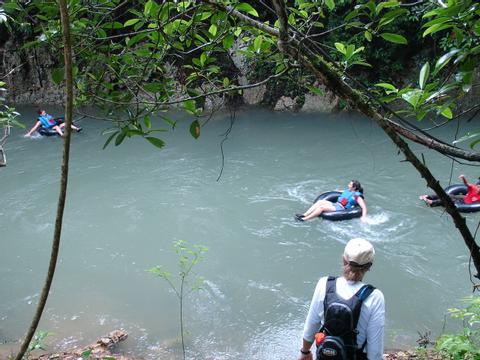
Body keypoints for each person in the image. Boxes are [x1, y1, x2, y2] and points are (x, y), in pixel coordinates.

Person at [298, 238, 385, 360]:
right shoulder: (375, 297)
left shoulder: (324, 284)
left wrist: (305, 352)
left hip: (326, 355)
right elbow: (375, 349)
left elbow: (311, 324)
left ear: (344, 259)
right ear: (369, 267)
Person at [295, 180, 367, 221]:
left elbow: (364, 207)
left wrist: (363, 217)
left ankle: (305, 219)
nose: (348, 185)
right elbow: (338, 191)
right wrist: (327, 192)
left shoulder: (357, 196)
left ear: (354, 187)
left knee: (321, 208)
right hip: (336, 204)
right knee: (320, 202)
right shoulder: (347, 191)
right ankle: (304, 214)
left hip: (341, 208)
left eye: (350, 184)